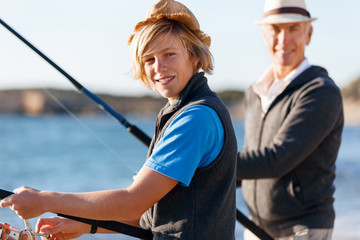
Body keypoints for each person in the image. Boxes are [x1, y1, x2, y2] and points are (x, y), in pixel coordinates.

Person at [0, 0, 238, 239]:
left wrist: (44, 200)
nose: (159, 67)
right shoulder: (182, 111)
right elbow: (152, 216)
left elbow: (133, 202)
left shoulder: (196, 119)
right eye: (149, 59)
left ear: (194, 55)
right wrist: (86, 225)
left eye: (170, 54)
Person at [237, 0, 344, 240]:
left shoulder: (320, 92)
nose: (283, 40)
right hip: (254, 227)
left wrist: (209, 164)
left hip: (303, 230)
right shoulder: (253, 93)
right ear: (264, 34)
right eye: (275, 29)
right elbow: (249, 162)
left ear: (309, 34)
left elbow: (277, 159)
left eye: (293, 28)